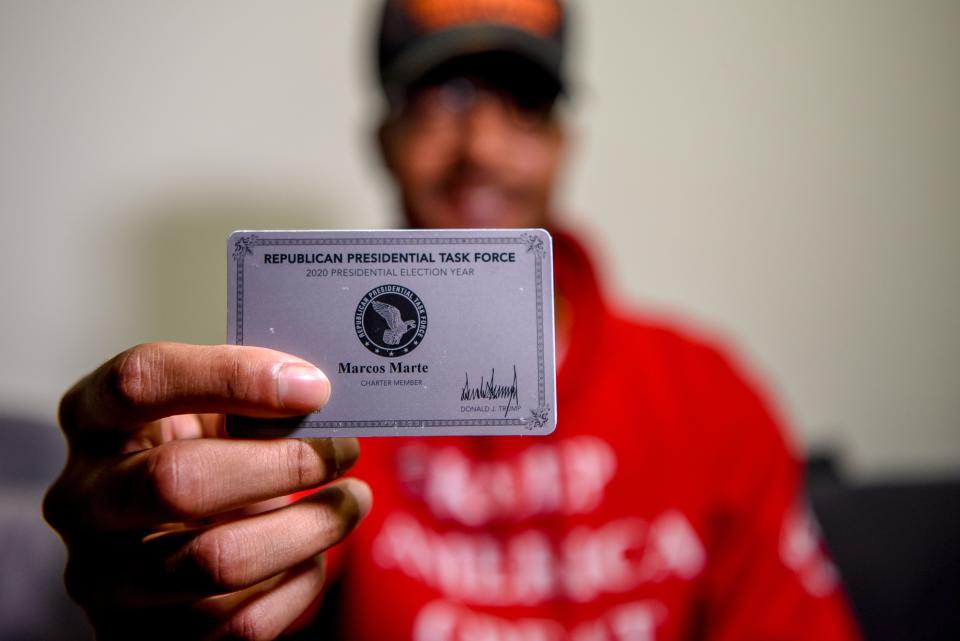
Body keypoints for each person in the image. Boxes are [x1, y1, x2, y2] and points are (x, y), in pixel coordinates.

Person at [44, 1, 862, 640]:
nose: (481, 147)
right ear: (384, 138)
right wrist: (168, 592)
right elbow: (234, 606)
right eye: (442, 98)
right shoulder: (289, 399)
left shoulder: (706, 394)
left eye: (524, 101)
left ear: (563, 141)